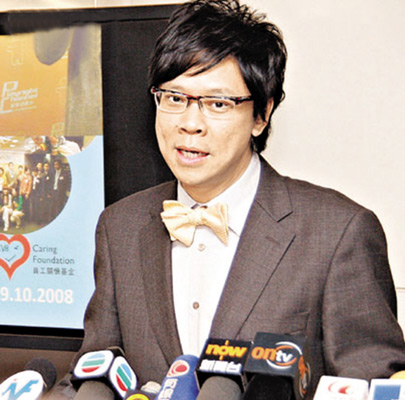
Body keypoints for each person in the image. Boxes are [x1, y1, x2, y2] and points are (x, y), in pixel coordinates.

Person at [55, 1, 405, 398]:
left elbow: (373, 385)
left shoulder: (338, 233)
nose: (190, 124)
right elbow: (92, 374)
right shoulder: (120, 226)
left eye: (217, 104)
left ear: (261, 114)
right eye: (174, 98)